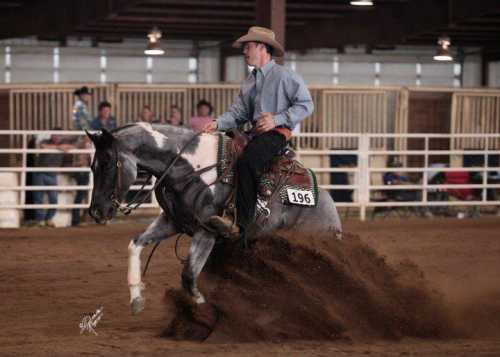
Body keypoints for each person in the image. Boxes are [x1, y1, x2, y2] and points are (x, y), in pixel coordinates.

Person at [203, 26, 314, 237]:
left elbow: (306, 105)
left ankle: (242, 224)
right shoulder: (250, 80)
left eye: (248, 46)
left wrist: (277, 119)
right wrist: (218, 123)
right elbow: (238, 112)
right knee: (223, 152)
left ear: (262, 48)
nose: (244, 51)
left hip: (276, 135)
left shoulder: (285, 76)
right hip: (254, 134)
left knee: (247, 161)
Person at [32, 128, 74, 227]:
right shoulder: (45, 141)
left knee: (54, 198)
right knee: (39, 198)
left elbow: (71, 146)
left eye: (59, 135)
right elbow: (43, 146)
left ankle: (49, 218)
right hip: (40, 173)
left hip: (52, 174)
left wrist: (58, 147)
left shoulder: (64, 143)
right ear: (51, 135)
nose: (57, 137)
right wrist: (58, 148)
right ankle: (40, 220)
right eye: (55, 135)